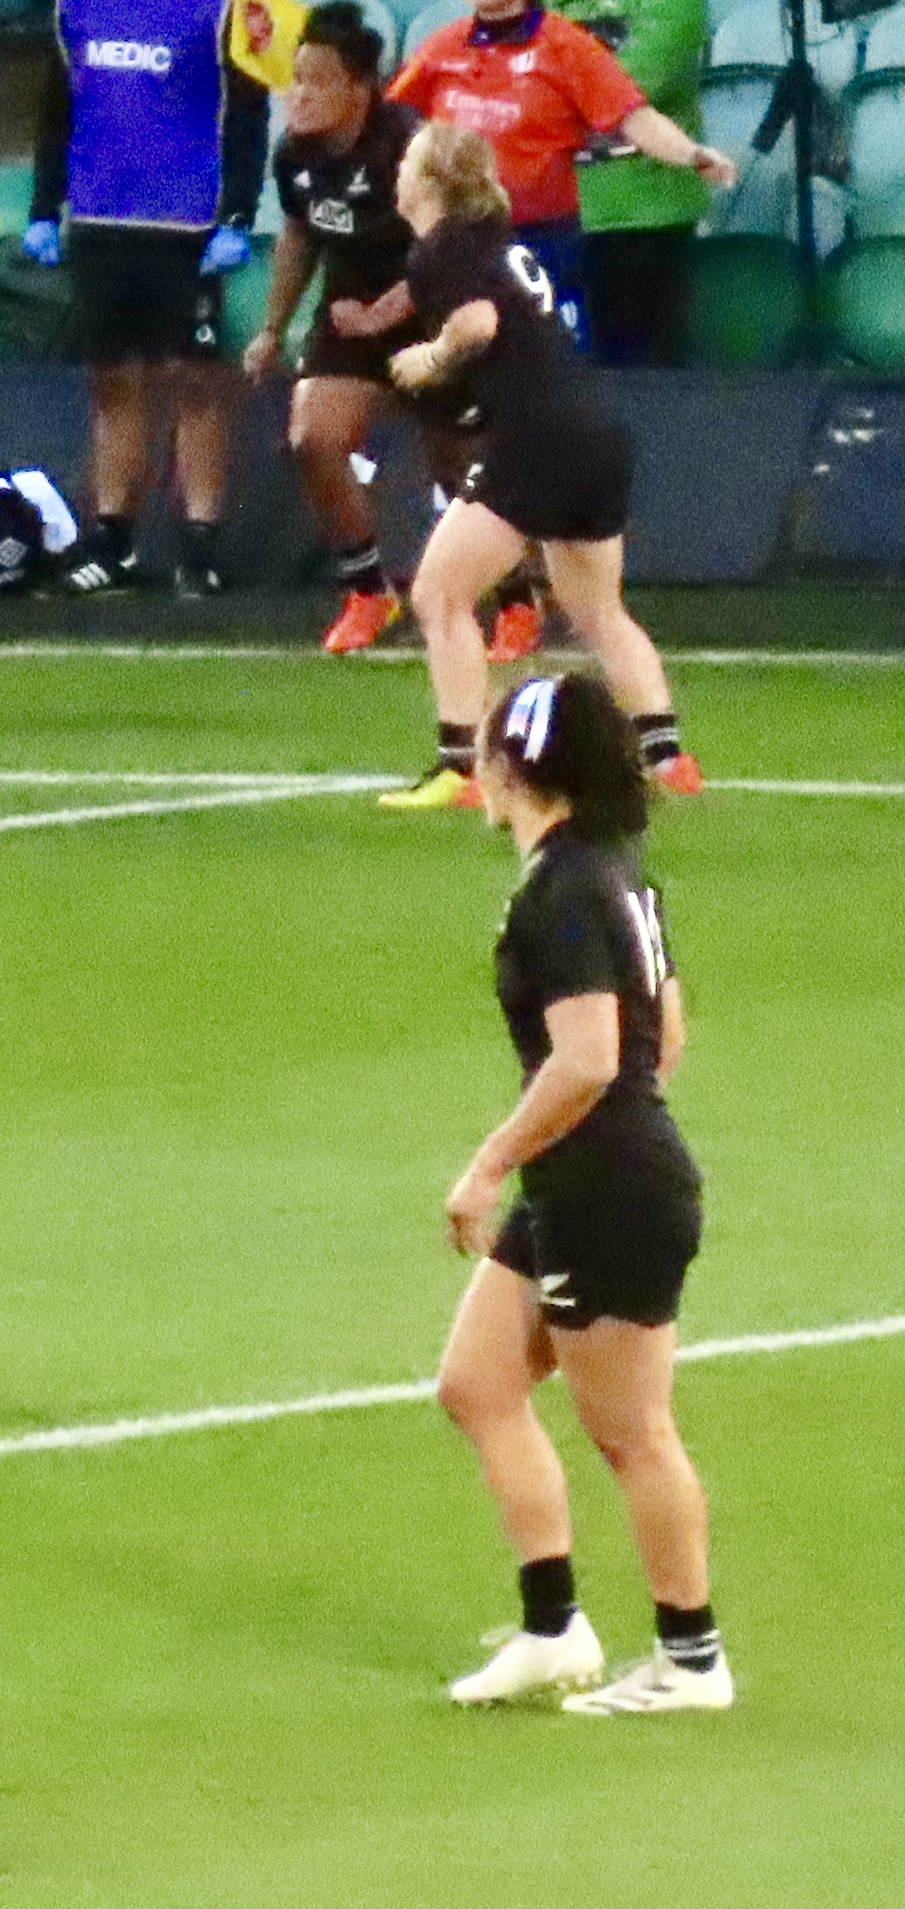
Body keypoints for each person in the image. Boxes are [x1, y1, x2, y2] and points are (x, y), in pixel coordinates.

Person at [431, 671, 727, 1714]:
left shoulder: (560, 890)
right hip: (592, 1172)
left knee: (630, 1431)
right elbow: (663, 1035)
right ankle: (553, 1628)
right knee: (475, 1382)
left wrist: (490, 1159)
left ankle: (690, 1657)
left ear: (515, 767)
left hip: (603, 1186)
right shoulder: (613, 872)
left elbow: (592, 1055)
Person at [374, 124, 707, 809]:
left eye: (408, 160)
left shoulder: (443, 249)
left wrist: (430, 358)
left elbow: (476, 325)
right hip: (594, 428)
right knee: (597, 609)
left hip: (538, 437)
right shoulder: (497, 243)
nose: (397, 170)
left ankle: (459, 767)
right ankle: (666, 753)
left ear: (432, 182)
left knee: (439, 595)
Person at [22, 0, 265, 590]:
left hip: (186, 220)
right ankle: (115, 539)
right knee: (112, 381)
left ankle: (200, 543)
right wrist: (44, 207)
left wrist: (237, 213)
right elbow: (56, 109)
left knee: (195, 382)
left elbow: (246, 114)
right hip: (101, 214)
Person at [391, 0, 737, 343]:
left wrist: (691, 154)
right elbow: (392, 121)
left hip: (542, 242)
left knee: (551, 360)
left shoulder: (566, 46)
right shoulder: (441, 47)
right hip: (458, 245)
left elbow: (632, 116)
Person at [243, 2, 435, 655]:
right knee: (313, 439)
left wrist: (386, 313)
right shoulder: (294, 154)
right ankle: (368, 588)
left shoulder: (408, 147)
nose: (298, 94)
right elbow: (298, 235)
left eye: (317, 81)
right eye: (295, 79)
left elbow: (445, 251)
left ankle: (519, 599)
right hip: (347, 311)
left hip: (430, 310)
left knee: (459, 461)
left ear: (360, 90)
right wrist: (272, 328)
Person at [541, 0, 718, 369]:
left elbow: (636, 80)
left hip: (647, 213)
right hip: (564, 214)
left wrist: (553, 98)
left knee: (642, 378)